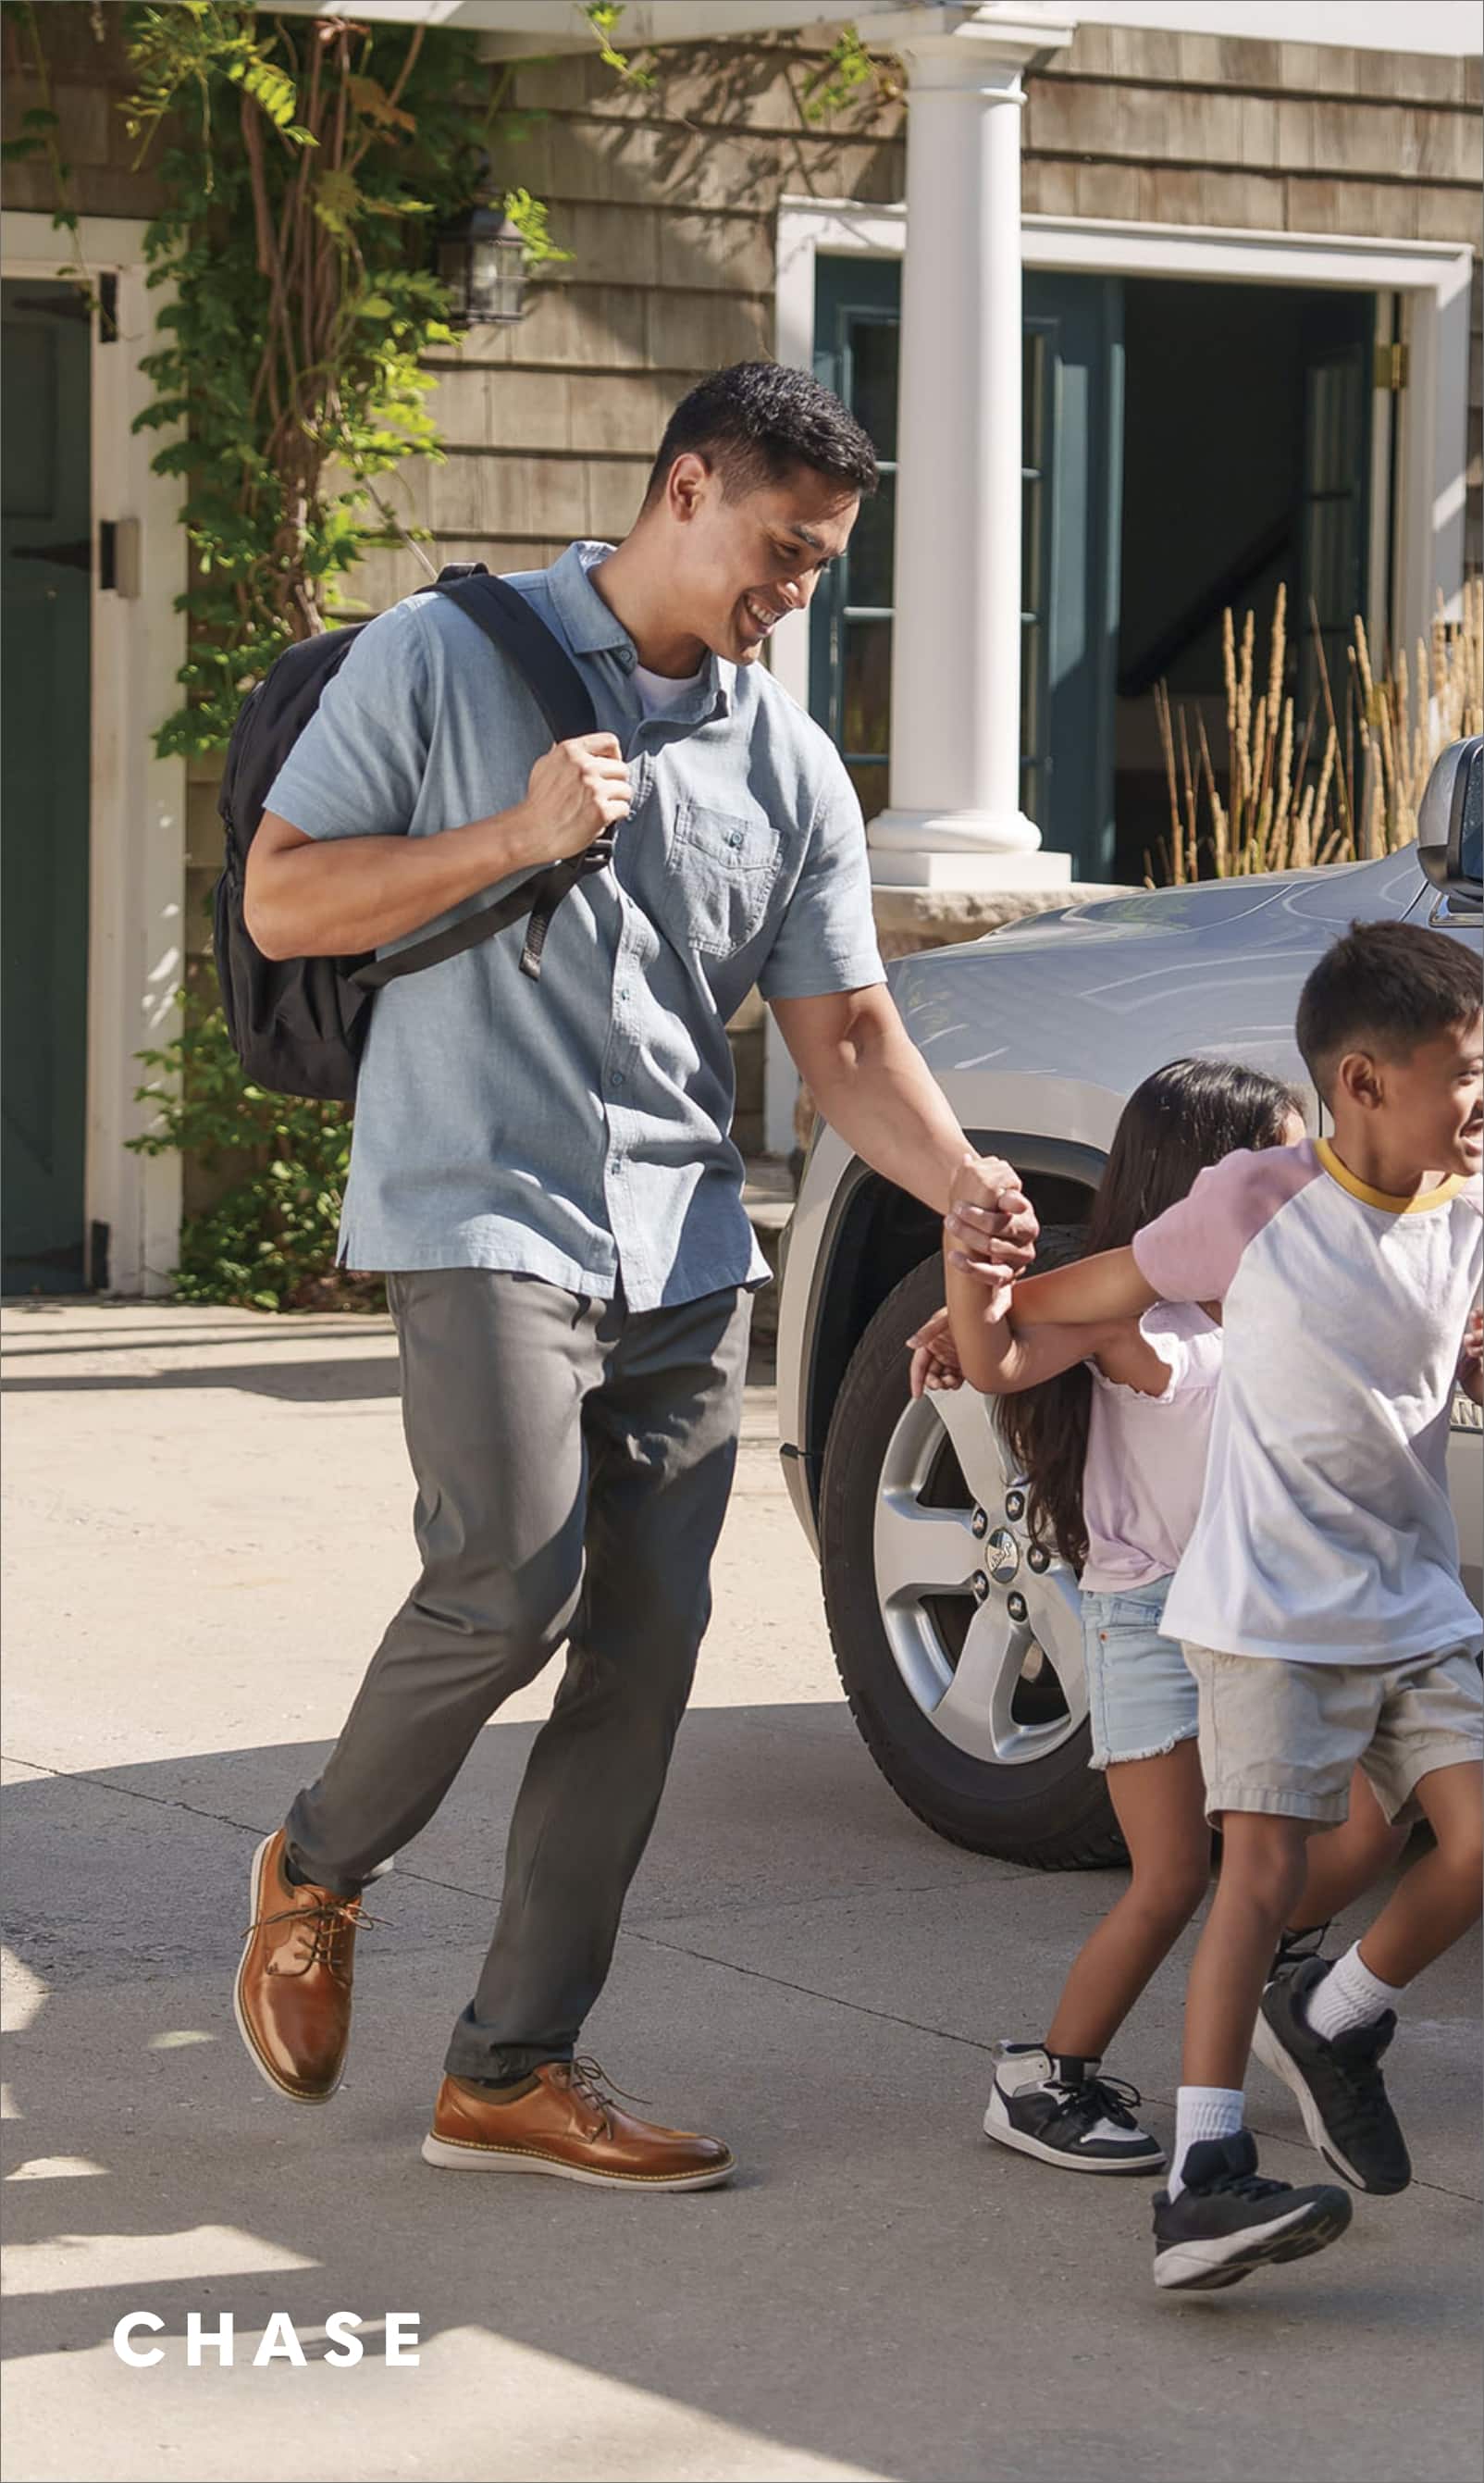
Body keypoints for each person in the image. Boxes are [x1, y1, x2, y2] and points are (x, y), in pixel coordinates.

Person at [231, 361, 1036, 2191]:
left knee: (647, 1649)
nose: (798, 592)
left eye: (826, 563)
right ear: (684, 492)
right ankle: (318, 1862)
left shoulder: (790, 764)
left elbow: (840, 1034)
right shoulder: (441, 660)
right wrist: (515, 835)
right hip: (477, 1207)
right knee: (502, 1589)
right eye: (784, 550)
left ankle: (511, 2066)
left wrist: (964, 1174)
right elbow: (285, 901)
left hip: (682, 1246)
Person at [958, 922, 1481, 2290]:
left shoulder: (1467, 1200)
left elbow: (1429, 1354)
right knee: (1215, 1876)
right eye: (1467, 1073)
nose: (1483, 1100)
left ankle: (1333, 2008)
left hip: (1413, 1599)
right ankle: (1196, 2166)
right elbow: (1047, 1323)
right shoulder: (1248, 1212)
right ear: (1367, 1080)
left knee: (1455, 1842)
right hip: (1256, 1610)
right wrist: (977, 1298)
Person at [926, 1059, 1406, 2177]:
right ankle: (1043, 2076)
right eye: (1275, 1164)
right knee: (1167, 1878)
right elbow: (1004, 1344)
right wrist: (962, 1295)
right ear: (1201, 1184)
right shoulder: (1129, 1312)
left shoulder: (1299, 1292)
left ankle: (1281, 1964)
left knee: (1370, 1824)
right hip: (1149, 1617)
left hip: (1264, 1613)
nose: (1299, 1182)